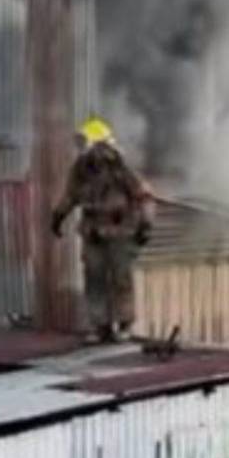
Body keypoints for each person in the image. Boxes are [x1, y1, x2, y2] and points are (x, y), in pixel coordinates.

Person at [51, 116, 154, 343]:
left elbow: (144, 196)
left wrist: (145, 225)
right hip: (93, 232)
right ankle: (101, 326)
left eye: (84, 141)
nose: (81, 148)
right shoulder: (80, 169)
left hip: (121, 232)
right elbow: (70, 196)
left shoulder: (121, 168)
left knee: (120, 278)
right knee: (94, 278)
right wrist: (57, 217)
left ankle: (125, 324)